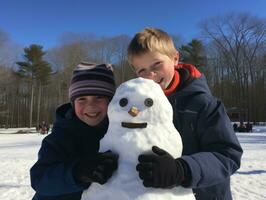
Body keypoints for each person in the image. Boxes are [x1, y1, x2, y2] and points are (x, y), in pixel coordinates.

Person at [127, 28, 243, 200]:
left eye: (157, 64)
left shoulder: (203, 104)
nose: (150, 75)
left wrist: (183, 169)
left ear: (175, 58)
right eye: (141, 71)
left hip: (205, 195)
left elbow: (227, 155)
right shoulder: (138, 106)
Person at [30, 62, 118, 200]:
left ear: (111, 101)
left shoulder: (120, 134)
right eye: (82, 99)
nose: (90, 105)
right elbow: (39, 179)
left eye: (99, 97)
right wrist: (77, 173)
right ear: (73, 103)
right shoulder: (61, 136)